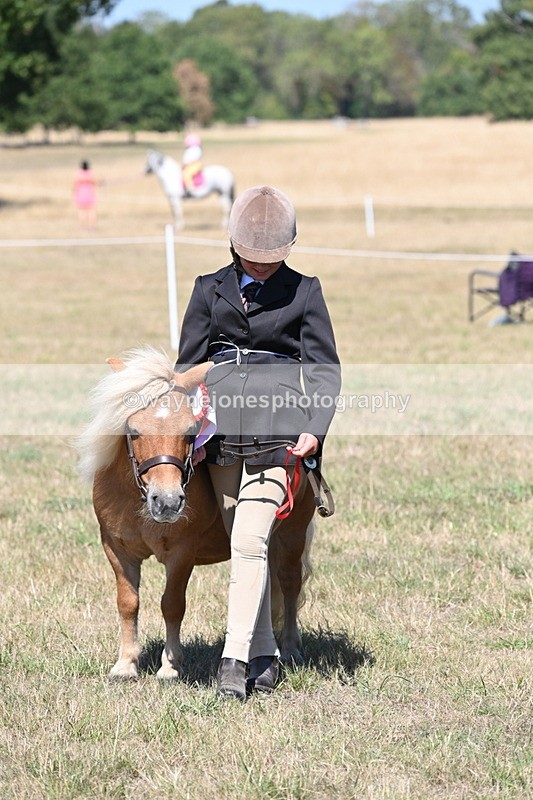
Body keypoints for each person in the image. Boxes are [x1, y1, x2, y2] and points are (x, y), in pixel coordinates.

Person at [176, 185, 341, 701]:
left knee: (249, 540)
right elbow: (186, 367)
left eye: (273, 258)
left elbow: (325, 370)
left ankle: (234, 659)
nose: (263, 266)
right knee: (247, 547)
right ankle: (267, 654)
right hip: (221, 437)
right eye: (253, 257)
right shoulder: (207, 289)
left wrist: (315, 428)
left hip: (280, 432)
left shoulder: (306, 291)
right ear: (232, 244)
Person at [73, 160, 98, 228]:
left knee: (82, 211)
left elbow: (74, 184)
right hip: (89, 194)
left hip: (80, 194)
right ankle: (92, 226)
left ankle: (83, 226)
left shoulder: (78, 173)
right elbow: (95, 182)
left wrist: (74, 193)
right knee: (91, 211)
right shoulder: (90, 173)